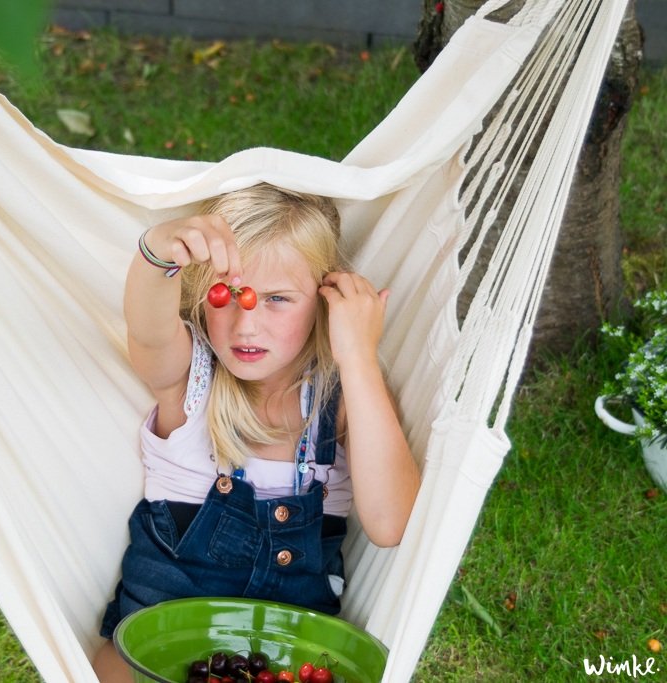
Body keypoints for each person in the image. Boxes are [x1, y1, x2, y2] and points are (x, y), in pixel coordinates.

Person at [92, 183, 421, 682]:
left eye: (277, 299)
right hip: (156, 649)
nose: (247, 326)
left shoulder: (344, 401)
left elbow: (391, 524)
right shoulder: (189, 383)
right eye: (228, 296)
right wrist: (159, 249)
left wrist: (356, 353)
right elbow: (148, 328)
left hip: (285, 658)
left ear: (323, 301)